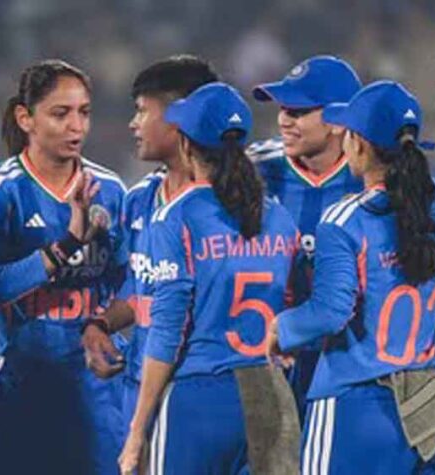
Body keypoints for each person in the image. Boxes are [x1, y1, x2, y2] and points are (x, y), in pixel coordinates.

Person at [269, 81, 435, 474]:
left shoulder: (347, 217)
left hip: (353, 403)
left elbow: (330, 311)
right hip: (425, 406)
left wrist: (279, 330)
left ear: (359, 143)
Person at [119, 82, 300, 474]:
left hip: (197, 399)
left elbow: (167, 330)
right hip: (268, 395)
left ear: (185, 144)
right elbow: (290, 303)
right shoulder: (279, 217)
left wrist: (137, 429)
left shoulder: (177, 216)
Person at [0, 59, 127, 475]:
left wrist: (104, 323)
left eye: (84, 112)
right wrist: (68, 243)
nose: (77, 126)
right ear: (26, 118)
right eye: (60, 113)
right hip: (18, 385)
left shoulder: (110, 190)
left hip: (94, 389)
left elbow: (133, 284)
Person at [81, 55, 218, 437]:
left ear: (180, 119)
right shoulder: (140, 199)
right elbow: (138, 288)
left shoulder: (230, 208)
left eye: (143, 111)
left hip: (199, 387)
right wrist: (100, 324)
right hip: (140, 382)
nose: (133, 123)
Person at [248, 56, 363, 418]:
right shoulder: (254, 168)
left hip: (349, 361)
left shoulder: (374, 176)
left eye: (297, 112)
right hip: (264, 357)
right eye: (282, 109)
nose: (283, 120)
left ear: (337, 121)